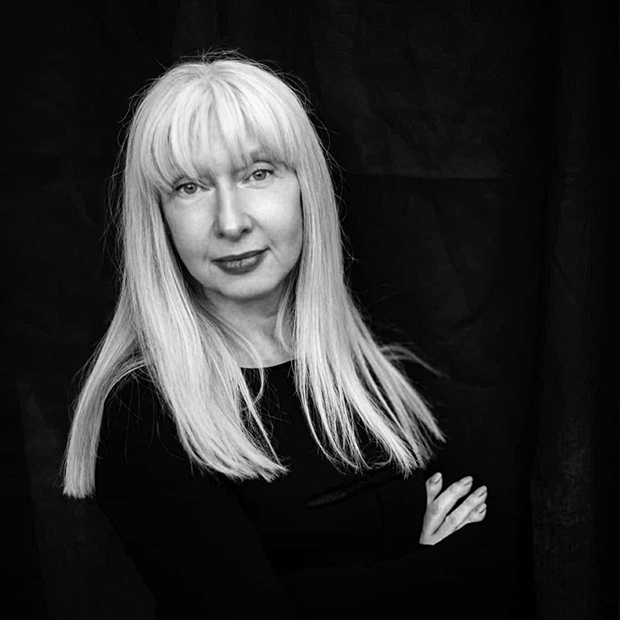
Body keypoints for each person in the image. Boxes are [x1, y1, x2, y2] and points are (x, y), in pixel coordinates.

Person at [62, 52, 499, 619]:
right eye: (190, 187)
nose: (230, 222)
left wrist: (318, 590)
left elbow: (487, 546)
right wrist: (434, 569)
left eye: (258, 174)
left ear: (305, 187)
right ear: (158, 219)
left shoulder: (371, 366)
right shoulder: (144, 410)